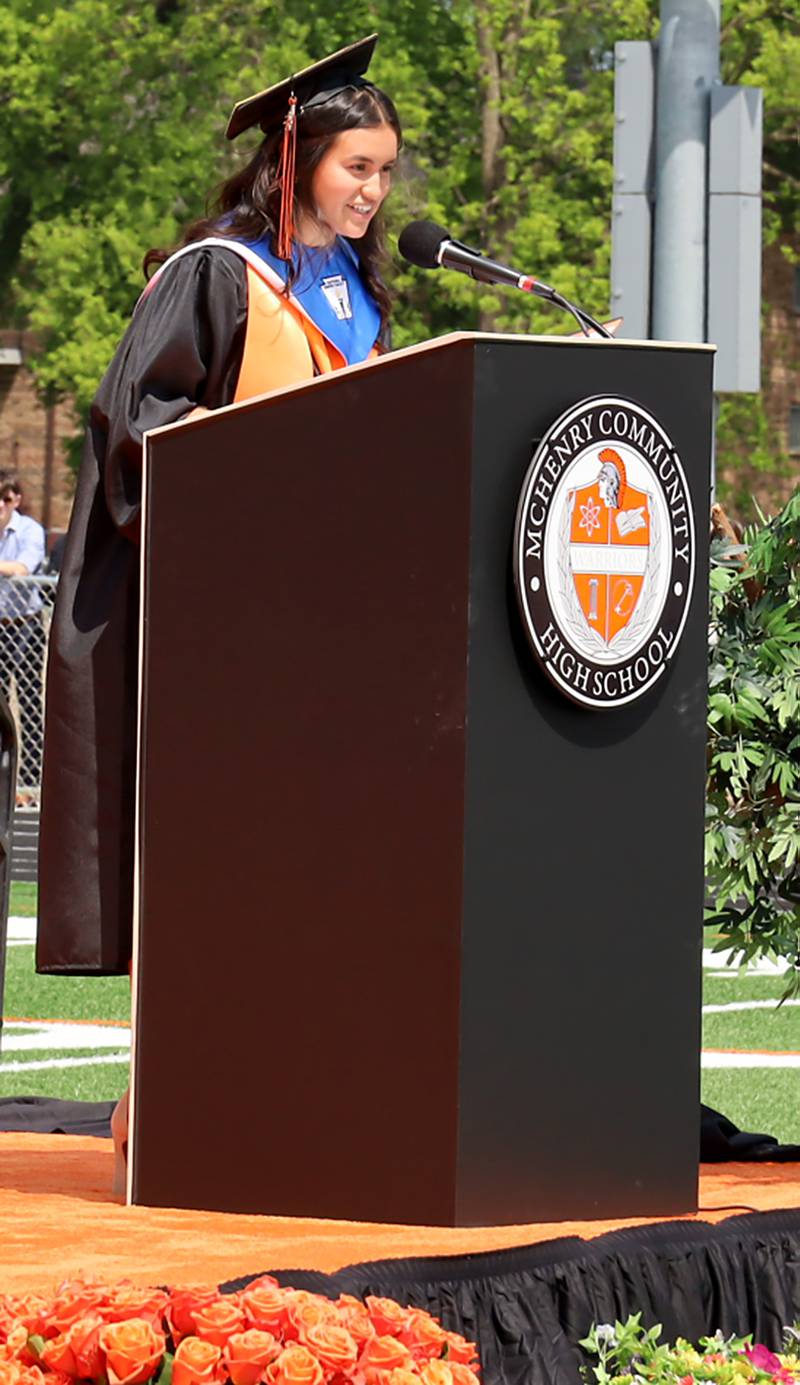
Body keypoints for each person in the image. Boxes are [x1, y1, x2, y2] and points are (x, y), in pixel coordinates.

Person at [35, 35, 401, 1189]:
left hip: (329, 634)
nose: (371, 190)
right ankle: (178, 1107)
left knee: (315, 868)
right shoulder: (217, 272)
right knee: (218, 866)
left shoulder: (355, 293)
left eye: (386, 170)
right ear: (293, 161)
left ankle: (296, 1092)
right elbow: (137, 424)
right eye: (354, 166)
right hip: (223, 633)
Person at [0, 471, 46, 802]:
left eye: (7, 498)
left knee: (29, 703)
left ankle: (29, 785)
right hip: (0, 626)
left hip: (26, 626)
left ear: (17, 499)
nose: (1, 505)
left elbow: (23, 568)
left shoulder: (30, 530)